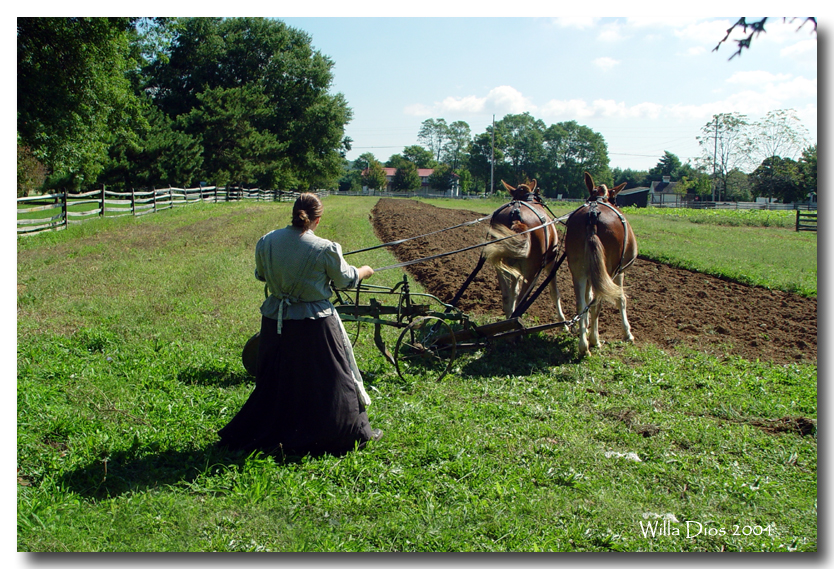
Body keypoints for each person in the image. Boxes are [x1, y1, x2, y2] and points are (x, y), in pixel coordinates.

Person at [218, 193, 382, 456]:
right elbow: (345, 280)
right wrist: (365, 270)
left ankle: (278, 430)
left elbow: (261, 275)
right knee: (331, 381)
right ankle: (336, 433)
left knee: (278, 379)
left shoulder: (266, 241)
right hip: (314, 325)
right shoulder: (326, 247)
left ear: (294, 213)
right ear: (317, 219)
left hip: (276, 322)